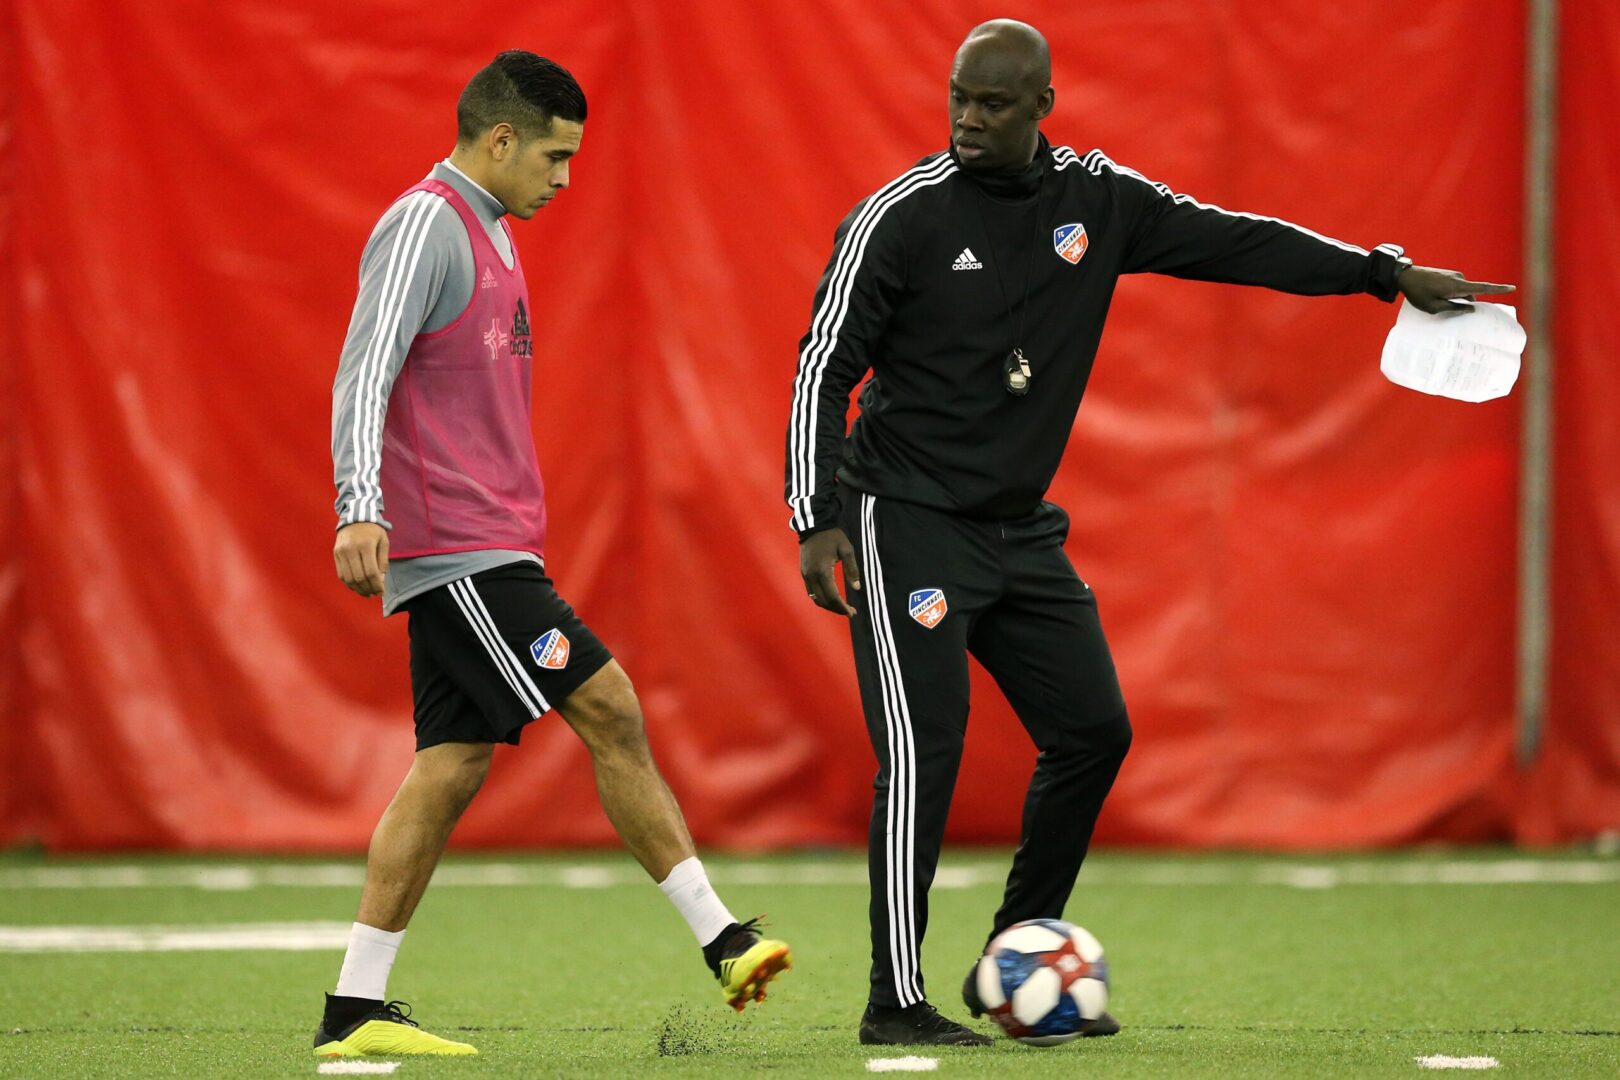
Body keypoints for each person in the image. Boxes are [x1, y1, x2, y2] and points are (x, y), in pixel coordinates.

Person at [785, 20, 1511, 1047]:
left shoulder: (1099, 202)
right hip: (903, 519)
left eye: (994, 103)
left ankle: (1015, 959)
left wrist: (1381, 273)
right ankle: (893, 1000)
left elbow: (1235, 240)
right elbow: (824, 364)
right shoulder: (899, 217)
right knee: (924, 751)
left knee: (1093, 732)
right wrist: (815, 519)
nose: (968, 118)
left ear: (1042, 108)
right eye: (958, 96)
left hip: (1018, 531)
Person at [320, 50, 790, 1059]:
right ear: (500, 139)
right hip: (458, 549)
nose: (565, 178)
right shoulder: (423, 225)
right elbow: (365, 369)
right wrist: (359, 504)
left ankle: (354, 1009)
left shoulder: (489, 229)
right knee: (609, 704)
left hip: (487, 543)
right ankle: (722, 939)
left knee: (448, 767)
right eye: (554, 155)